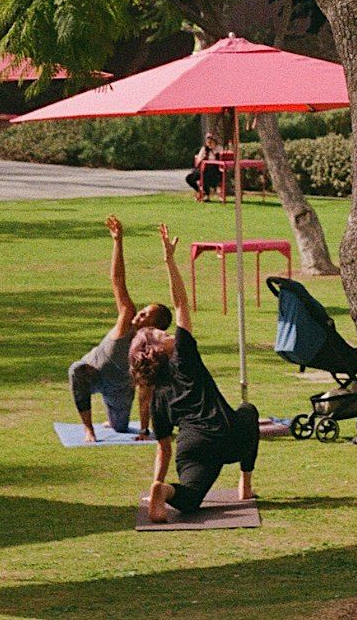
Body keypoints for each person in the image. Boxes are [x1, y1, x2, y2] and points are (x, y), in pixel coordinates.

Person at [130, 224, 259, 521]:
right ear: (159, 350)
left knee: (189, 501)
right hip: (226, 436)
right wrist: (169, 261)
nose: (166, 333)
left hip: (192, 447)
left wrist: (156, 482)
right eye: (160, 335)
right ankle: (246, 485)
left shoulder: (156, 394)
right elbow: (180, 302)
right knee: (248, 411)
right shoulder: (184, 355)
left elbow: (163, 449)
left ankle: (165, 492)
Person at [68, 216, 172, 443]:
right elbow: (117, 280)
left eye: (145, 315)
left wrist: (144, 430)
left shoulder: (151, 351)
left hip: (121, 389)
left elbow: (146, 394)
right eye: (142, 311)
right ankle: (89, 430)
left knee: (120, 428)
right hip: (95, 371)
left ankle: (111, 419)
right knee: (76, 370)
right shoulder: (127, 318)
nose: (139, 315)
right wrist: (118, 241)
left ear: (154, 326)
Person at [186, 133, 224, 200]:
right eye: (208, 140)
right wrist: (202, 158)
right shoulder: (204, 149)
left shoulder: (218, 149)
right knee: (189, 178)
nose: (209, 142)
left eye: (211, 140)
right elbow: (198, 161)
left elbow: (221, 159)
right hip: (203, 169)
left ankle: (207, 194)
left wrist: (214, 150)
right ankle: (200, 191)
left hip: (214, 170)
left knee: (206, 175)